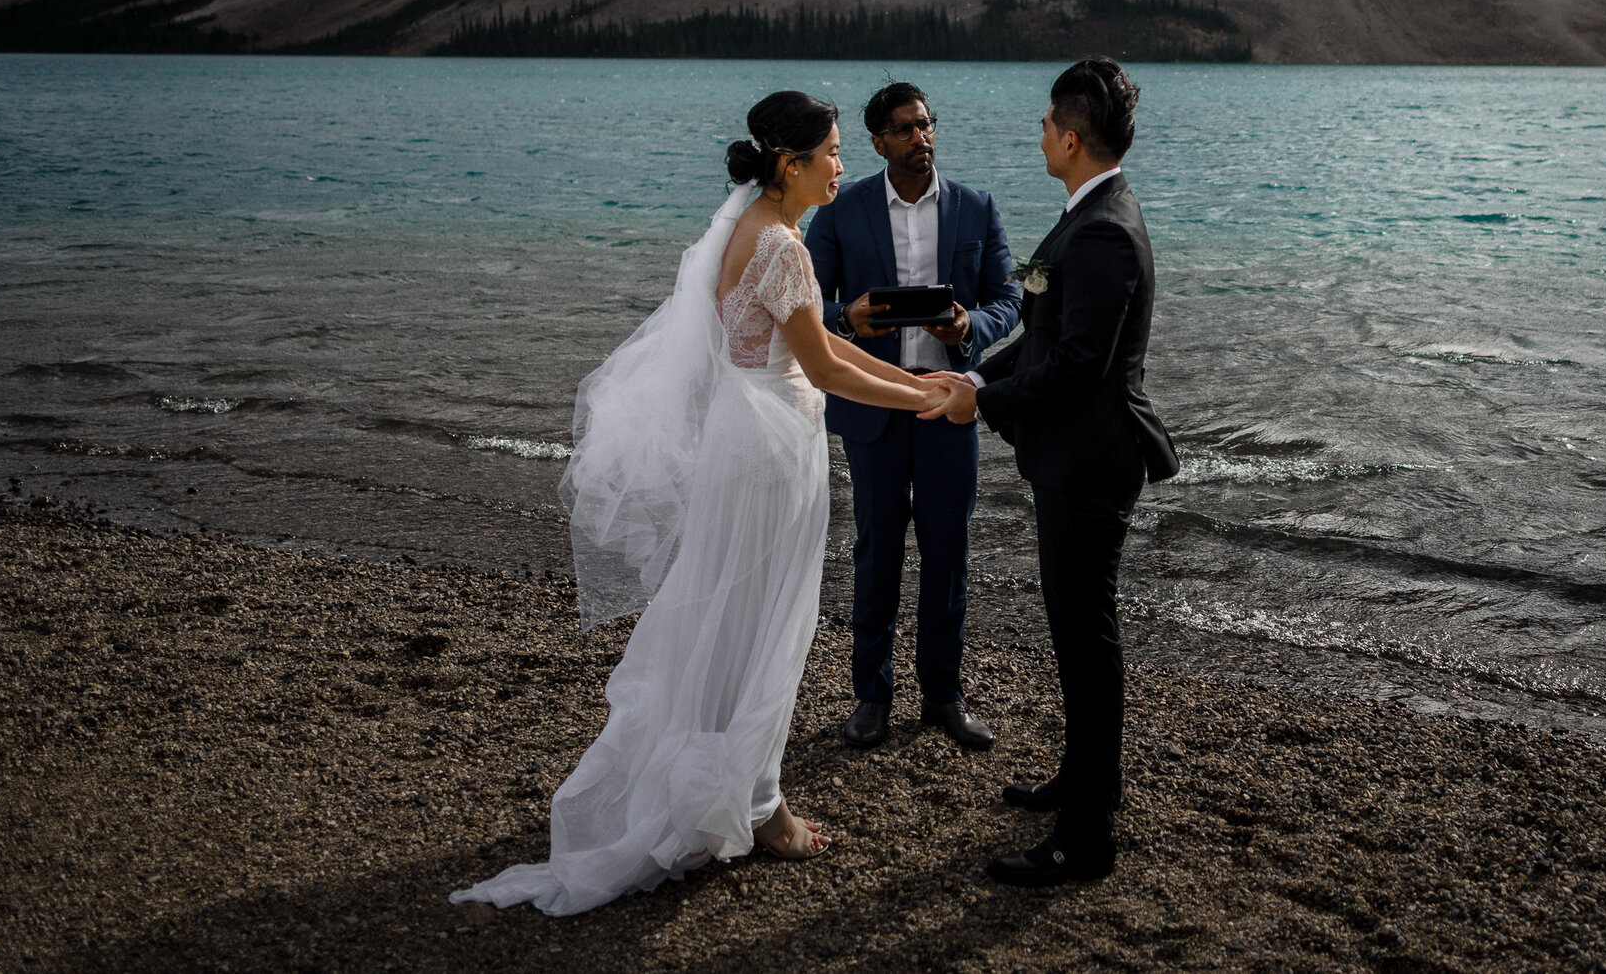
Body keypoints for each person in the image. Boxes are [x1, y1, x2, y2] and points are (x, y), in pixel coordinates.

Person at [453, 92, 947, 916]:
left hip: (741, 436)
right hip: (770, 445)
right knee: (768, 623)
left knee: (732, 613)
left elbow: (805, 349)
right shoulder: (783, 245)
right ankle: (760, 807)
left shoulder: (744, 225)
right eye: (830, 151)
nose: (841, 164)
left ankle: (735, 789)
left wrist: (912, 382)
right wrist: (921, 395)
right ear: (791, 164)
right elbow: (823, 368)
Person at [921, 58, 1178, 886]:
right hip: (1068, 455)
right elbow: (1038, 336)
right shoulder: (1079, 217)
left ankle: (1087, 835)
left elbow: (1075, 366)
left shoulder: (1103, 230)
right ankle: (1083, 779)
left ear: (1070, 137)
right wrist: (973, 375)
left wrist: (979, 407)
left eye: (1043, 125)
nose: (1037, 135)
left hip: (1092, 462)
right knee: (1075, 635)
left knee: (1087, 638)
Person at [806, 82, 1023, 751]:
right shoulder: (844, 211)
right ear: (878, 142)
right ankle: (871, 695)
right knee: (876, 553)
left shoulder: (976, 207)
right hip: (872, 400)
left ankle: (943, 694)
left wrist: (969, 325)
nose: (919, 138)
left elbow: (1010, 298)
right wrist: (849, 316)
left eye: (925, 125)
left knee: (947, 553)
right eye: (903, 129)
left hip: (945, 399)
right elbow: (803, 302)